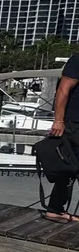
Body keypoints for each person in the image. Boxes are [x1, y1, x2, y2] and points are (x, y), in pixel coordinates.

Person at [44, 54, 79, 222]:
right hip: (75, 123)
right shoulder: (78, 60)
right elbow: (63, 90)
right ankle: (55, 208)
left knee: (70, 168)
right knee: (69, 166)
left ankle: (55, 208)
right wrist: (58, 120)